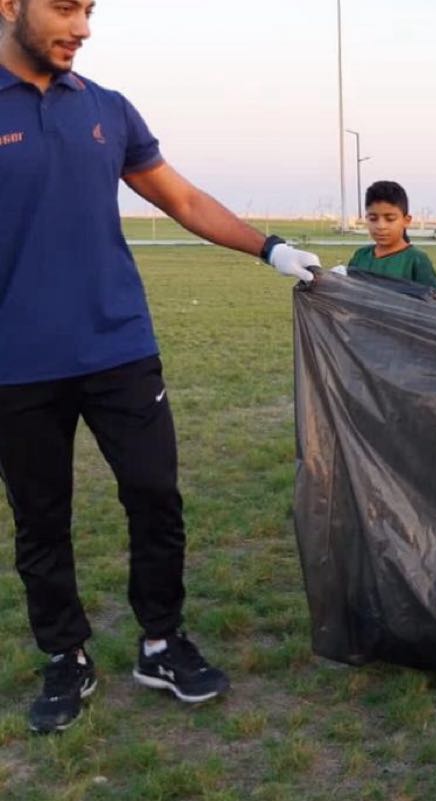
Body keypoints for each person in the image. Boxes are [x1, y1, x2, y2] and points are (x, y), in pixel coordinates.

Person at [0, 0, 320, 733]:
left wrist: (269, 248)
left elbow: (181, 198)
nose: (82, 27)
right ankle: (64, 655)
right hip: (17, 362)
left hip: (119, 346)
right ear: (10, 5)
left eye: (89, 10)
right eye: (64, 7)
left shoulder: (107, 109)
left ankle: (161, 641)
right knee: (40, 518)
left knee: (154, 495)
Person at [341, 181, 436, 292]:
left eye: (390, 219)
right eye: (373, 219)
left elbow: (434, 298)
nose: (381, 226)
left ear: (406, 221)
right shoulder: (361, 256)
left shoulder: (416, 260)